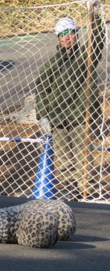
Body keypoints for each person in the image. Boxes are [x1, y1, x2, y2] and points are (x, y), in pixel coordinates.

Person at [35, 11, 104, 199]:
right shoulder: (52, 64)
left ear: (76, 34)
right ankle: (70, 190)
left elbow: (97, 43)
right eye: (62, 35)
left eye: (70, 33)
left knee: (83, 157)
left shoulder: (85, 57)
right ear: (58, 38)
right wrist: (42, 115)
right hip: (58, 118)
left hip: (80, 116)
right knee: (64, 160)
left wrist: (96, 17)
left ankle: (86, 192)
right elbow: (42, 90)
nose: (67, 38)